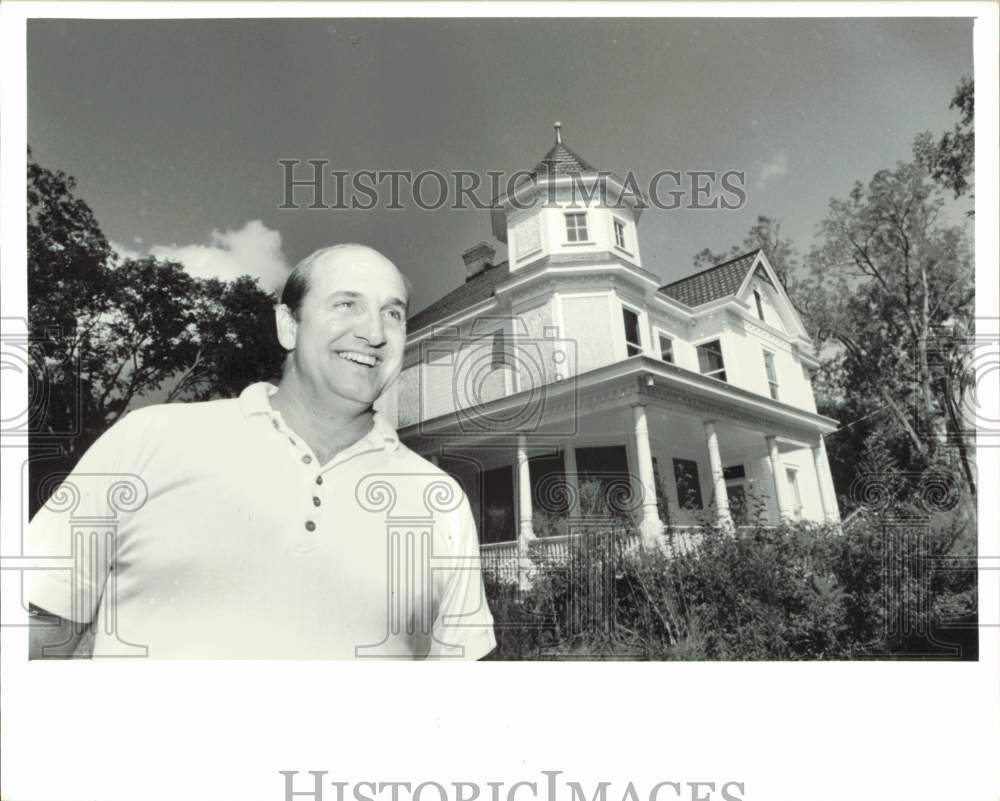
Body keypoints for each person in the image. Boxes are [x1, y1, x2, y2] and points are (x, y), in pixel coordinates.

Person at [27, 244, 496, 659]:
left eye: (392, 313)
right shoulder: (148, 440)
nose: (373, 332)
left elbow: (457, 704)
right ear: (288, 325)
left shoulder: (440, 500)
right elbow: (35, 636)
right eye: (346, 304)